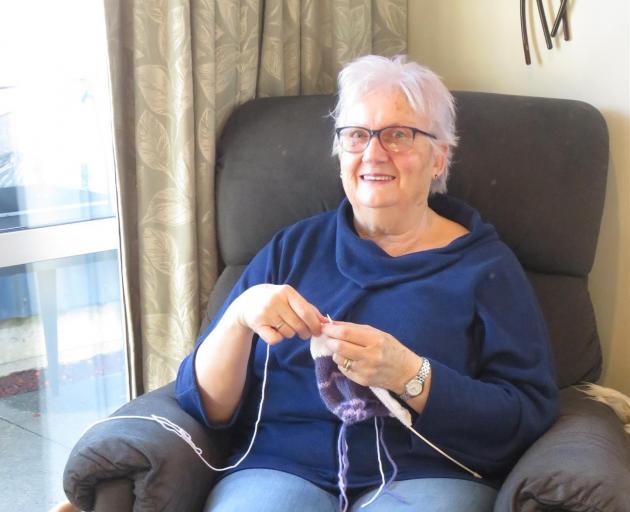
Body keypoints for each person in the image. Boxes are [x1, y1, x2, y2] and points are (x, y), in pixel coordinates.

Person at [175, 55, 558, 512]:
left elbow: (527, 414)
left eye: (399, 135)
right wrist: (239, 318)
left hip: (426, 473)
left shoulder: (484, 267)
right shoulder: (290, 250)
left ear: (439, 158)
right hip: (280, 469)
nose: (374, 153)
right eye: (357, 135)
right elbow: (206, 409)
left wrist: (410, 376)